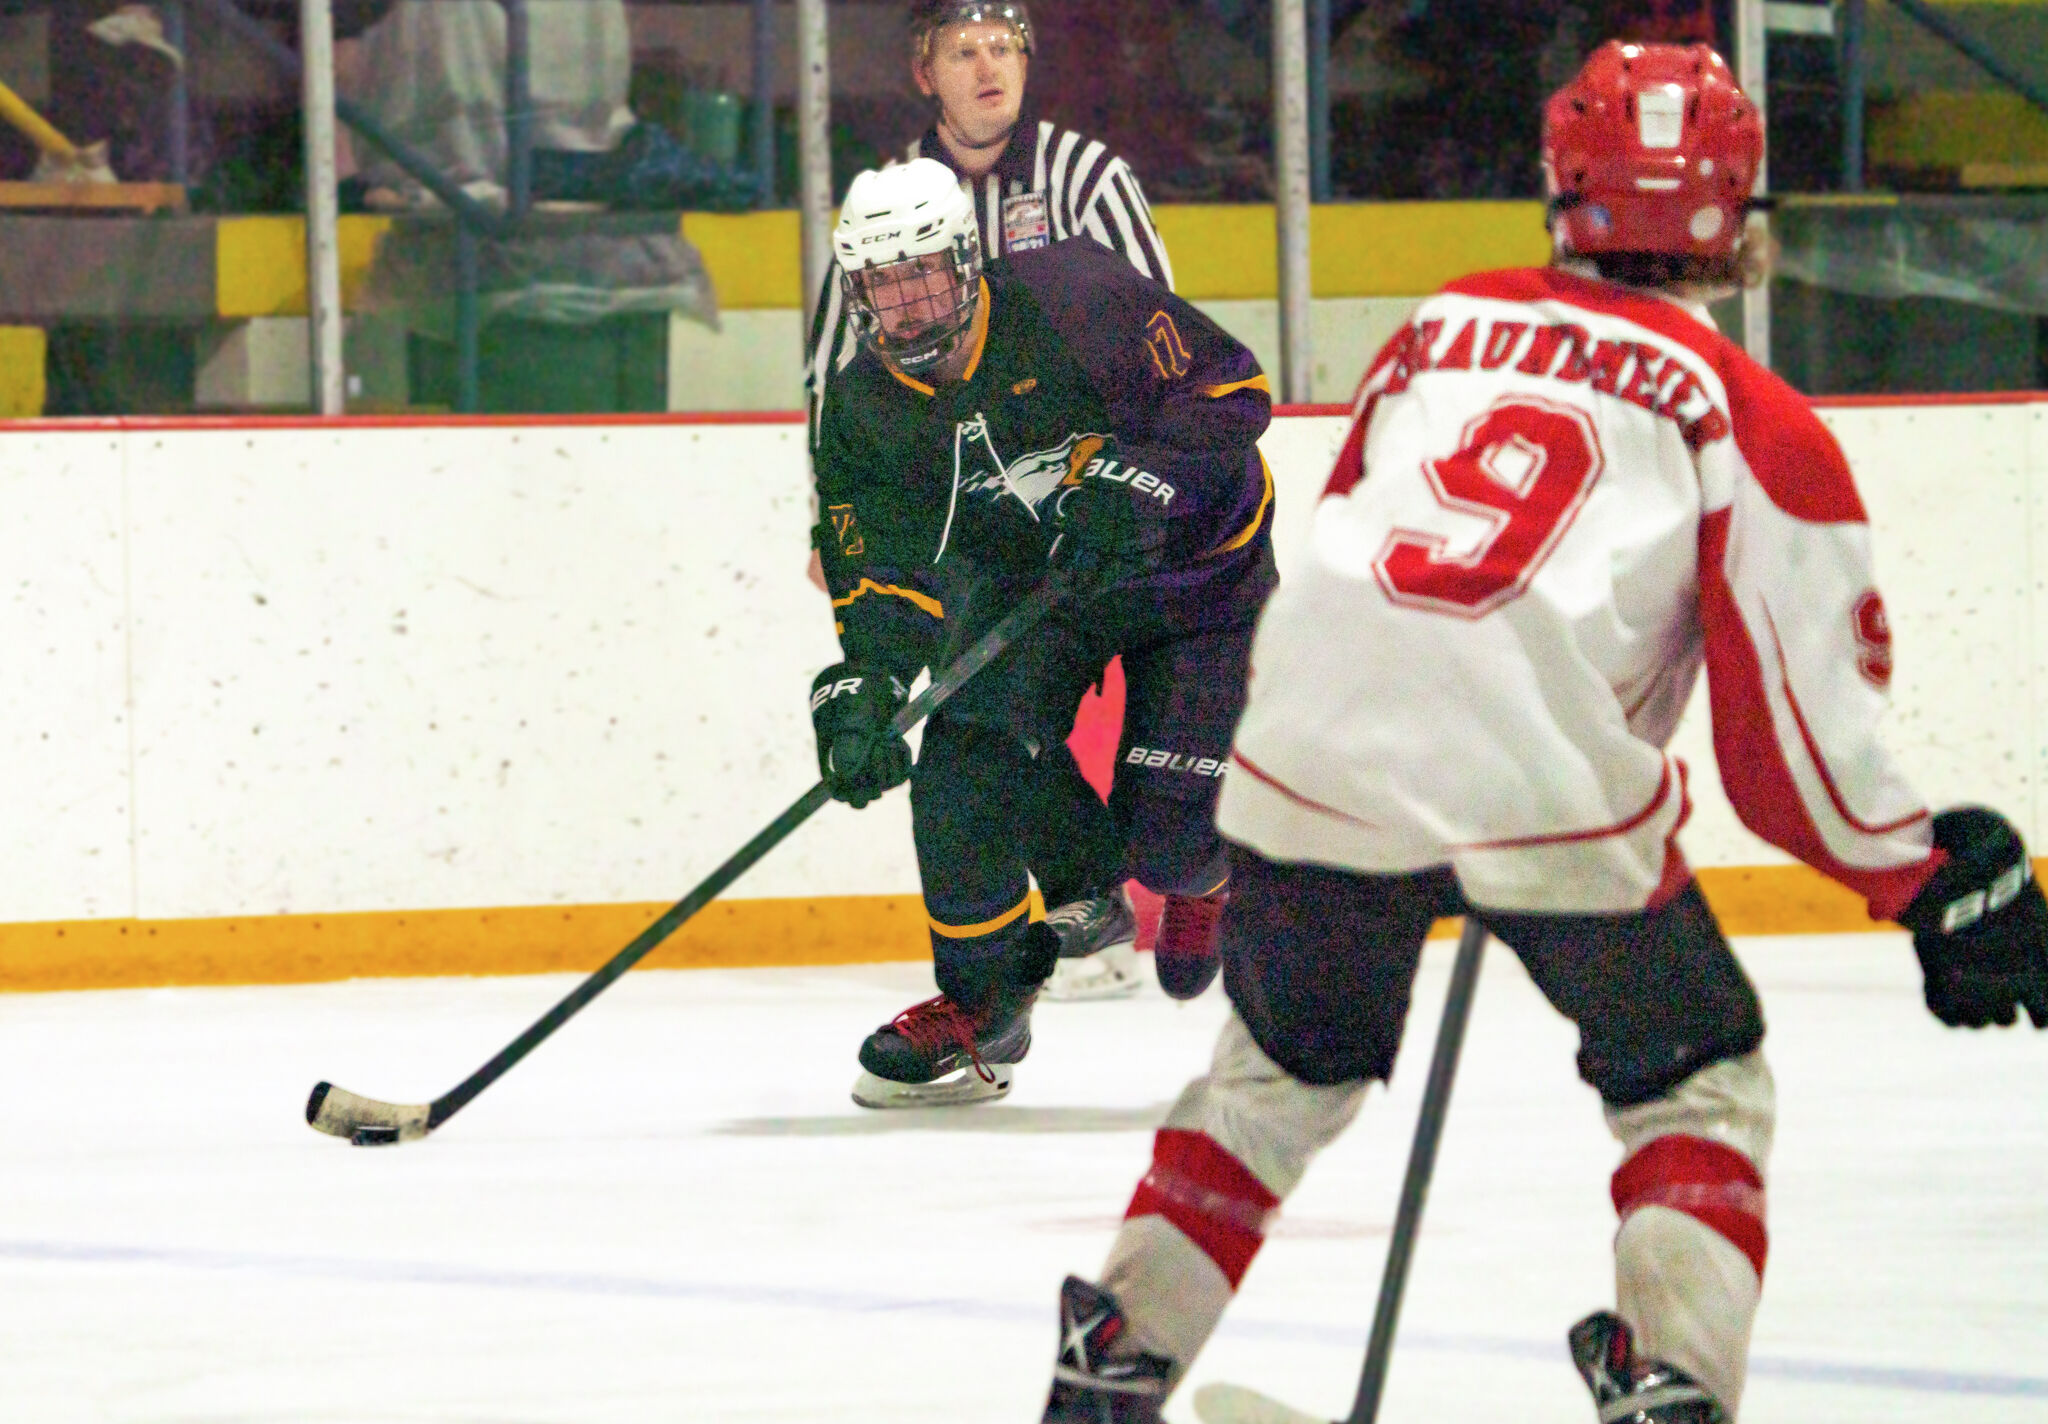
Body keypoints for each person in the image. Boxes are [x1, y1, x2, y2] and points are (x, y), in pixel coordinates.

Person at [1038, 41, 2048, 1423]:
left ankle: (1116, 1361)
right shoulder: (1751, 417)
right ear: (1738, 211)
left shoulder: (1438, 327)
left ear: (1559, 190)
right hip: (1541, 781)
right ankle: (1673, 1386)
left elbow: (1355, 550)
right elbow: (1789, 756)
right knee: (1697, 1083)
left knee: (1275, 1072)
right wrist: (1926, 874)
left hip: (1306, 748)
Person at [809, 157, 1276, 1108]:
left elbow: (1233, 402)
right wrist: (863, 684)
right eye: (881, 282)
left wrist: (1137, 488)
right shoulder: (864, 408)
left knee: (1170, 837)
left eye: (923, 273)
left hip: (1195, 577)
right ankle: (984, 1008)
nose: (904, 304)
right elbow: (885, 574)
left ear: (968, 260)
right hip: (1045, 585)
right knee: (959, 765)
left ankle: (1199, 878)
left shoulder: (1076, 293)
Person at [806, 0, 1199, 1004]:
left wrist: (1138, 483)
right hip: (973, 507)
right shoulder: (883, 206)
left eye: (1001, 48)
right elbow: (835, 371)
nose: (987, 68)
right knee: (976, 711)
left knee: (1148, 751)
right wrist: (841, 526)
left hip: (1097, 494)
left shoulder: (1085, 176)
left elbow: (1156, 342)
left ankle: (1178, 875)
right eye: (961, 51)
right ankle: (1069, 910)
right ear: (921, 71)